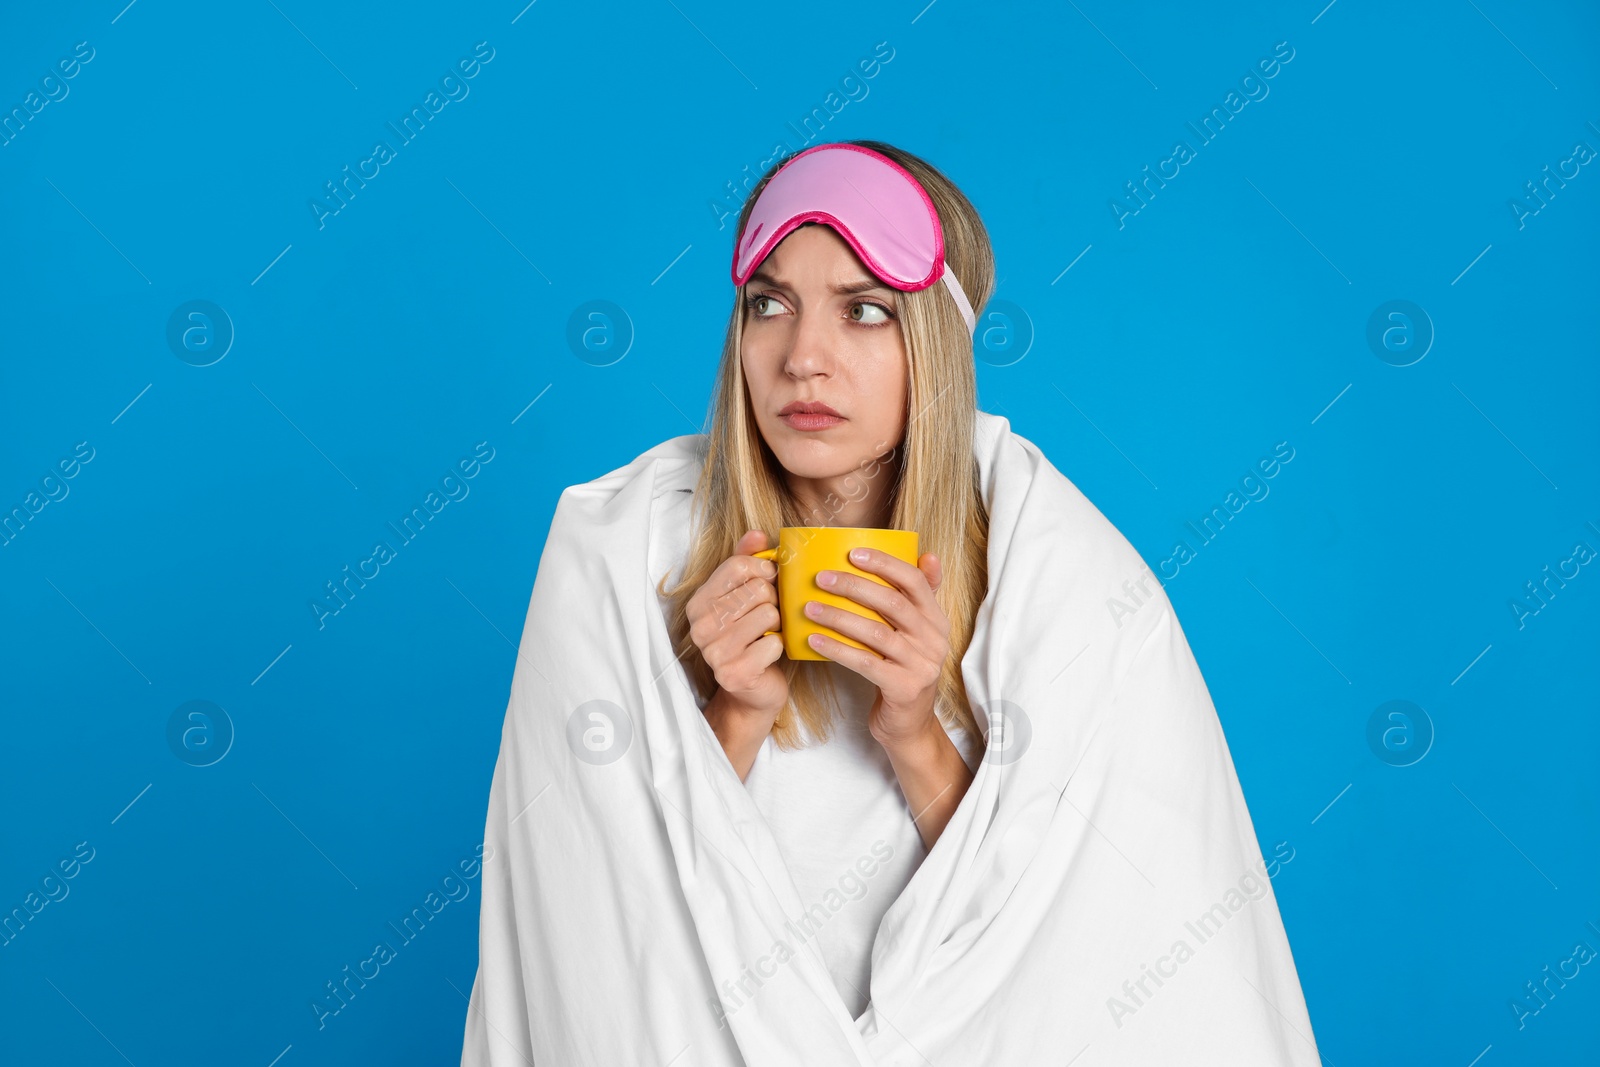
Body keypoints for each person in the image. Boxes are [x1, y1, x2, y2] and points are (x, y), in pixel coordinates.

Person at [462, 139, 1322, 1066]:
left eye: (864, 310)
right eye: (770, 304)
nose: (803, 358)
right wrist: (732, 719)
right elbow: (584, 948)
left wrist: (914, 733)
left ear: (936, 345)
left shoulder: (1062, 581)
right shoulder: (622, 553)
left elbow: (1098, 947)